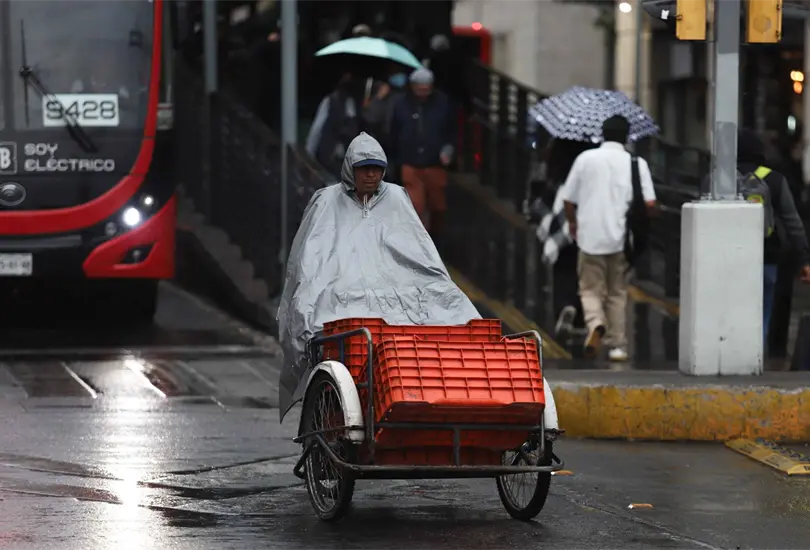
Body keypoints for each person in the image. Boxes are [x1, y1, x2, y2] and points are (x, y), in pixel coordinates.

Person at [276, 132, 480, 416]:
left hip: (401, 287)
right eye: (364, 168)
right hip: (343, 290)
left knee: (455, 310)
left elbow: (420, 253)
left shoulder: (396, 197)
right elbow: (312, 260)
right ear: (351, 169)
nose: (371, 174)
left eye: (377, 168)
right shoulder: (326, 202)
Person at [560, 116, 657, 361]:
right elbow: (650, 202)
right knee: (617, 292)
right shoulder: (637, 163)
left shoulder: (585, 160)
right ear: (626, 137)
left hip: (590, 236)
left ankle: (595, 324)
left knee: (590, 289)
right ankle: (618, 346)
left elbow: (568, 199)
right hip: (621, 239)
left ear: (603, 134)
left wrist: (573, 222)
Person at [736, 128, 810, 344]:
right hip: (766, 256)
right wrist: (804, 259)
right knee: (763, 309)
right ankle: (756, 351)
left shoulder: (717, 179)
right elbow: (792, 222)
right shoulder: (774, 179)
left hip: (728, 257)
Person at [389, 67, 457, 243]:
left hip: (434, 162)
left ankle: (436, 238)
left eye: (426, 87)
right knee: (416, 207)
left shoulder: (443, 103)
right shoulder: (401, 104)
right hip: (410, 161)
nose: (423, 91)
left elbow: (452, 131)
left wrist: (448, 150)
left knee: (438, 207)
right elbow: (394, 132)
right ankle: (420, 244)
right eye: (419, 87)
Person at [305, 73, 364, 179]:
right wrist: (309, 155)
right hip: (328, 154)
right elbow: (317, 129)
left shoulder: (350, 104)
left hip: (342, 156)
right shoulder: (330, 101)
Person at [363, 64, 409, 182]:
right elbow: (371, 118)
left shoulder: (407, 97)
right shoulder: (384, 95)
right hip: (384, 143)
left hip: (402, 145)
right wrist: (378, 98)